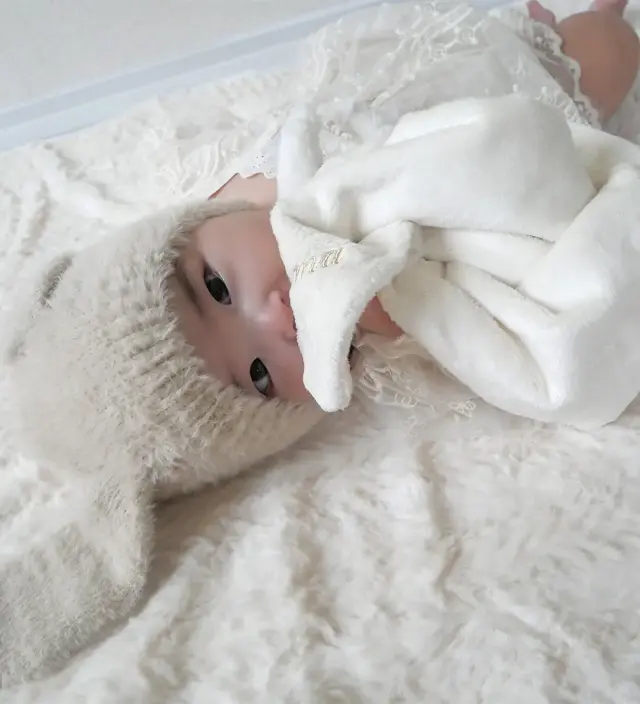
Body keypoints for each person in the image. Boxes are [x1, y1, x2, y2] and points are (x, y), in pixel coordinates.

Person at [2, 0, 640, 688]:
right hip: (521, 139)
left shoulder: (260, 185)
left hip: (439, 78)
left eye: (217, 288)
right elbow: (457, 303)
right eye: (258, 374)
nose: (275, 317)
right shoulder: (359, 307)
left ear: (190, 223)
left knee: (525, 33)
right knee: (602, 57)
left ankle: (550, 23)